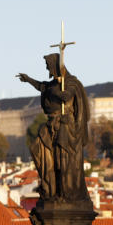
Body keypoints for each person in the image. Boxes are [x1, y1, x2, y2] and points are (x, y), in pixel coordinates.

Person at [17, 54, 90, 202]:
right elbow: (42, 86)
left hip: (65, 126)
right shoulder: (53, 84)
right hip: (51, 124)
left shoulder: (70, 83)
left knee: (62, 158)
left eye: (48, 66)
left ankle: (64, 192)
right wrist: (28, 79)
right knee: (37, 148)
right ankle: (49, 186)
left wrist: (55, 88)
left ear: (55, 66)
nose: (47, 69)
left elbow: (66, 97)